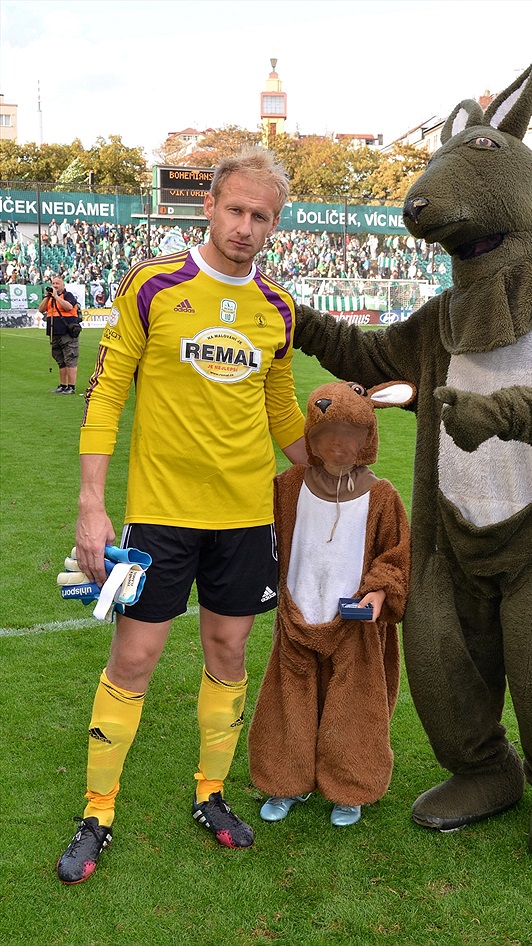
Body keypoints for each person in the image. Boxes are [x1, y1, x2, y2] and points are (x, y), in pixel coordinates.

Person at [56, 148, 308, 885]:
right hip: (160, 520)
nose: (245, 226)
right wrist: (92, 505)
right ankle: (97, 811)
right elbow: (106, 394)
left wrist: (333, 472)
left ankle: (211, 794)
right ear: (210, 207)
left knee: (228, 656)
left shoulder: (278, 309)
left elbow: (280, 410)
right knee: (133, 661)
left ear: (274, 224)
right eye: (235, 209)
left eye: (261, 216)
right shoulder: (154, 284)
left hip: (243, 520)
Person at [247, 380, 412, 827]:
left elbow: (396, 557)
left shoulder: (382, 496)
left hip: (355, 625)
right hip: (299, 614)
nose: (339, 447)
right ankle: (287, 782)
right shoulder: (288, 485)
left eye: (351, 437)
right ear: (311, 438)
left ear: (368, 440)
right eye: (326, 436)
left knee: (353, 706)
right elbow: (259, 529)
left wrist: (378, 592)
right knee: (289, 702)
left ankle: (350, 788)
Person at [39, 275, 81, 394]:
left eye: (58, 283)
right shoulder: (50, 298)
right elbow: (41, 309)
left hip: (67, 333)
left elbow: (68, 307)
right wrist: (48, 297)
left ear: (63, 285)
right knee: (60, 361)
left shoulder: (68, 295)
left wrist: (56, 297)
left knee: (70, 358)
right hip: (54, 333)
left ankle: (71, 386)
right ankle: (63, 385)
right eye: (53, 283)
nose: (55, 285)